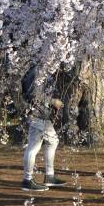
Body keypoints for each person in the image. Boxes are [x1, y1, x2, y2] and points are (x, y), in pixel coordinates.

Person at [21, 63, 67, 192]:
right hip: (36, 114)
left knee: (53, 141)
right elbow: (32, 95)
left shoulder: (41, 69)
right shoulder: (35, 70)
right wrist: (53, 102)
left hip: (42, 114)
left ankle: (50, 176)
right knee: (34, 146)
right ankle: (27, 180)